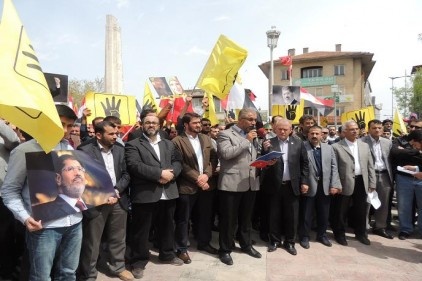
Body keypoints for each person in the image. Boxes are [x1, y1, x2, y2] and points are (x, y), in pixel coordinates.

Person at [1, 104, 82, 281]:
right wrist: (24, 217)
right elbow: (9, 191)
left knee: (68, 273)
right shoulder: (25, 150)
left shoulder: (70, 148)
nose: (66, 130)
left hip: (74, 223)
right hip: (43, 227)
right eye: (61, 124)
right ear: (49, 122)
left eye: (69, 126)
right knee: (41, 276)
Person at [125, 115, 183, 279]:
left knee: (167, 227)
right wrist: (159, 173)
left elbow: (178, 162)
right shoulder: (133, 145)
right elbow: (134, 165)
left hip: (168, 192)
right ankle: (138, 261)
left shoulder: (169, 144)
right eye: (148, 122)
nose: (151, 125)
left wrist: (171, 174)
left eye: (154, 123)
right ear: (142, 125)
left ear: (160, 125)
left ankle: (167, 254)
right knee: (141, 231)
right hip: (145, 194)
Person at [77, 121, 133, 281]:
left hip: (118, 199)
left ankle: (118, 267)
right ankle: (89, 273)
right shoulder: (85, 150)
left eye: (116, 133)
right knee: (92, 241)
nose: (116, 136)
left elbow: (126, 174)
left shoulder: (120, 150)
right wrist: (103, 194)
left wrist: (116, 190)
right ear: (99, 134)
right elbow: (82, 179)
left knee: (118, 237)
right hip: (96, 202)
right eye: (111, 134)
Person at [217, 108, 262, 265]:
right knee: (229, 220)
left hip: (250, 182)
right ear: (240, 119)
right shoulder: (225, 134)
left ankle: (246, 245)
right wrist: (247, 141)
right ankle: (225, 249)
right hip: (232, 184)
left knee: (246, 219)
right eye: (250, 119)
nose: (253, 122)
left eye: (254, 120)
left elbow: (251, 157)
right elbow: (227, 154)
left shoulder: (253, 136)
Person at [172, 113, 218, 264]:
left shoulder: (206, 138)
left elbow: (213, 158)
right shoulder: (177, 141)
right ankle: (182, 248)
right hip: (187, 187)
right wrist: (197, 178)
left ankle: (204, 243)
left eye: (199, 122)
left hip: (205, 185)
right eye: (195, 123)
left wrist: (206, 174)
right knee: (183, 219)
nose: (199, 125)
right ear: (186, 125)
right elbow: (180, 163)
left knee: (205, 217)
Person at [261, 118, 309, 255]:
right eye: (279, 129)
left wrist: (305, 182)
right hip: (274, 185)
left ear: (290, 130)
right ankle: (274, 241)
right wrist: (264, 152)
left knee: (292, 216)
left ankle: (290, 242)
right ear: (275, 129)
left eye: (285, 129)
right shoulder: (269, 143)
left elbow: (305, 164)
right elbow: (262, 164)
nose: (282, 131)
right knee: (274, 215)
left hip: (292, 185)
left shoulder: (299, 143)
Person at [330, 120, 376, 246]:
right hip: (344, 182)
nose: (355, 131)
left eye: (356, 128)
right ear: (345, 131)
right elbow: (334, 168)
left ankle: (361, 233)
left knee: (361, 209)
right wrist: (336, 184)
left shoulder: (364, 146)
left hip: (362, 181)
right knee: (341, 210)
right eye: (351, 129)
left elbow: (370, 165)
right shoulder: (336, 147)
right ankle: (339, 234)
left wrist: (372, 183)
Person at [298, 125, 341, 248]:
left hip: (325, 186)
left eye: (317, 133)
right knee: (306, 214)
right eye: (312, 134)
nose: (314, 136)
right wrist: (302, 182)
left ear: (322, 135)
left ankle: (322, 235)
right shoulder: (302, 147)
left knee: (324, 213)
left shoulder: (329, 148)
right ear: (308, 135)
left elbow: (334, 167)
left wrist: (334, 184)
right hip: (309, 185)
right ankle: (304, 236)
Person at [361, 119, 394, 239]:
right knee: (367, 203)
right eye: (374, 128)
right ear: (369, 129)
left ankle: (380, 227)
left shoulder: (387, 142)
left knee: (383, 203)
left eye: (379, 128)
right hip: (370, 175)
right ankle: (363, 228)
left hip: (385, 175)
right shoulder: (362, 142)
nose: (377, 130)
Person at [31, 154, 88, 222]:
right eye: (70, 169)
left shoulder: (93, 208)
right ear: (58, 178)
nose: (78, 173)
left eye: (80, 169)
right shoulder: (41, 212)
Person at [391, 124, 422, 240]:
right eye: (412, 126)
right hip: (404, 178)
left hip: (419, 179)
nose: (415, 147)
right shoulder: (398, 140)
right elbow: (396, 153)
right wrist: (416, 167)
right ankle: (405, 229)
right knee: (404, 206)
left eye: (415, 145)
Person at [0, 120, 21, 278]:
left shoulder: (4, 138)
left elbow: (14, 141)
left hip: (2, 195)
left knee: (5, 237)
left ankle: (7, 272)